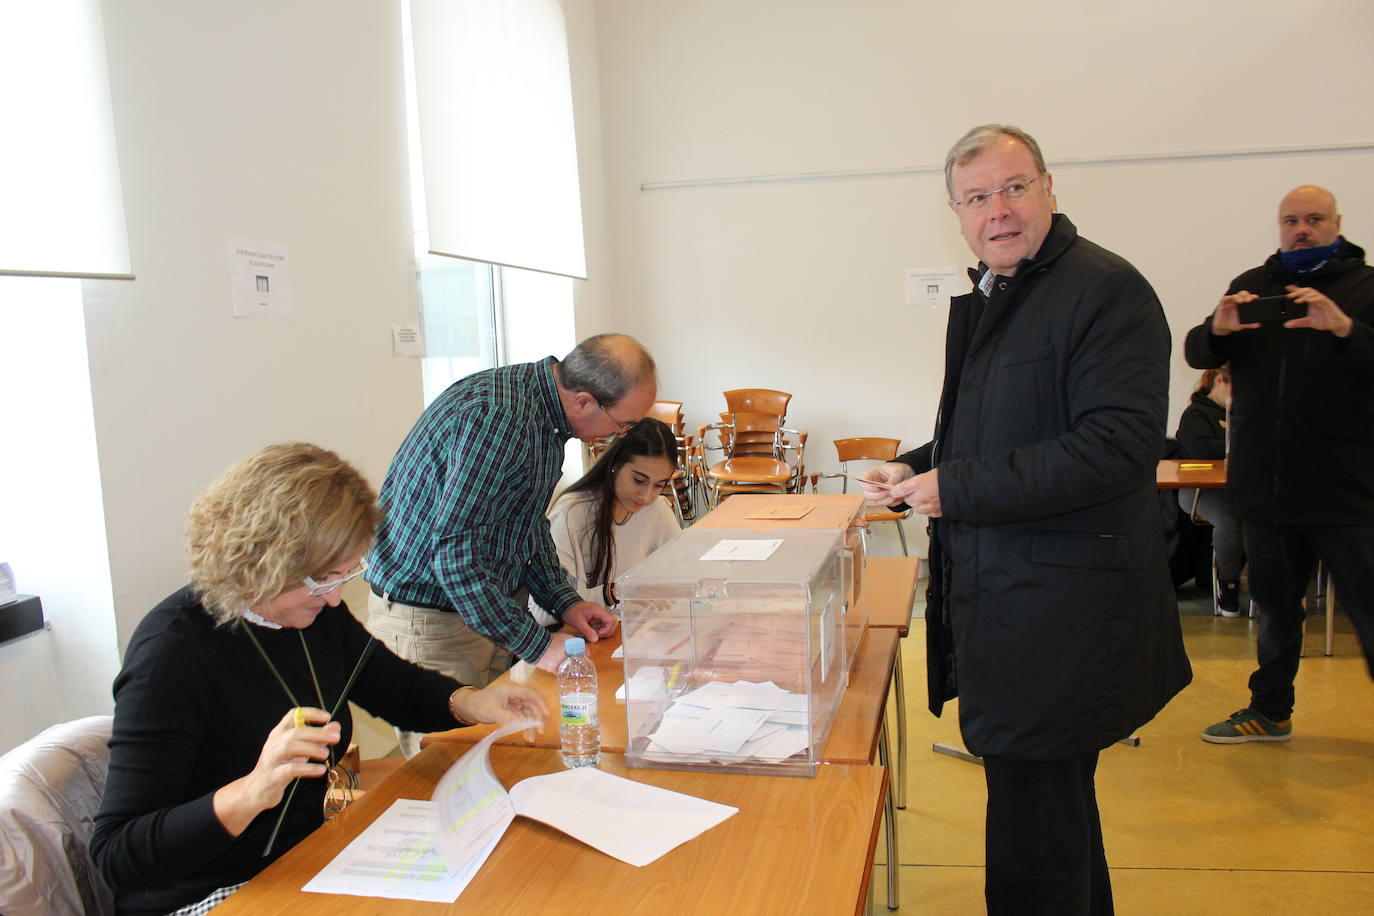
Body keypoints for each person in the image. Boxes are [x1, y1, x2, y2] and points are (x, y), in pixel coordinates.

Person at [862, 124, 1191, 914]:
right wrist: (917, 464)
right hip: (1008, 601)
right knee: (1054, 819)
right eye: (978, 198)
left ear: (1049, 188)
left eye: (1014, 188)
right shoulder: (988, 294)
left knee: (1030, 844)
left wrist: (960, 487)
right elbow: (989, 427)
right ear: (956, 211)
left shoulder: (1105, 289)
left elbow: (1117, 447)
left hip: (1062, 615)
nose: (998, 210)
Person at [91, 444, 546, 916]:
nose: (334, 600)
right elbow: (116, 856)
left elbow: (393, 686)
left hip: (303, 863)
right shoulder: (172, 654)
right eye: (324, 581)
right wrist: (251, 791)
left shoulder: (309, 615)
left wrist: (471, 702)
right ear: (262, 562)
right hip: (213, 892)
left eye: (346, 577)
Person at [365, 333, 656, 757]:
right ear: (583, 401)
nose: (619, 435)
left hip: (483, 611)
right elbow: (454, 556)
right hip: (433, 621)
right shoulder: (499, 418)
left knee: (502, 756)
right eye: (622, 424)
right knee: (453, 769)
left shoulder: (544, 417)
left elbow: (524, 523)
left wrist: (565, 602)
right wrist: (537, 645)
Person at [1185, 184, 1374, 744]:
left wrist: (1343, 328)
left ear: (1336, 223)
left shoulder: (1366, 289)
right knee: (1273, 611)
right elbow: (1199, 352)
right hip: (1267, 491)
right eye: (1291, 220)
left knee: (1369, 611)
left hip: (1348, 492)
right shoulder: (1252, 287)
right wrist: (1218, 328)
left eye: (1314, 219)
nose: (1301, 229)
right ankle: (1270, 711)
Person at [530, 417, 681, 624]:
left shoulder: (657, 509)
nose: (646, 496)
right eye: (639, 480)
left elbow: (681, 577)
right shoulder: (571, 513)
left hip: (634, 631)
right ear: (615, 465)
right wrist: (612, 592)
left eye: (658, 485)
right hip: (580, 639)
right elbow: (542, 612)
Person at [1174, 365, 1246, 614]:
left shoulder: (1241, 415)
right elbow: (1202, 449)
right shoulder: (1195, 414)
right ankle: (1229, 585)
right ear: (1219, 381)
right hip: (1198, 491)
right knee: (1229, 519)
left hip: (1237, 489)